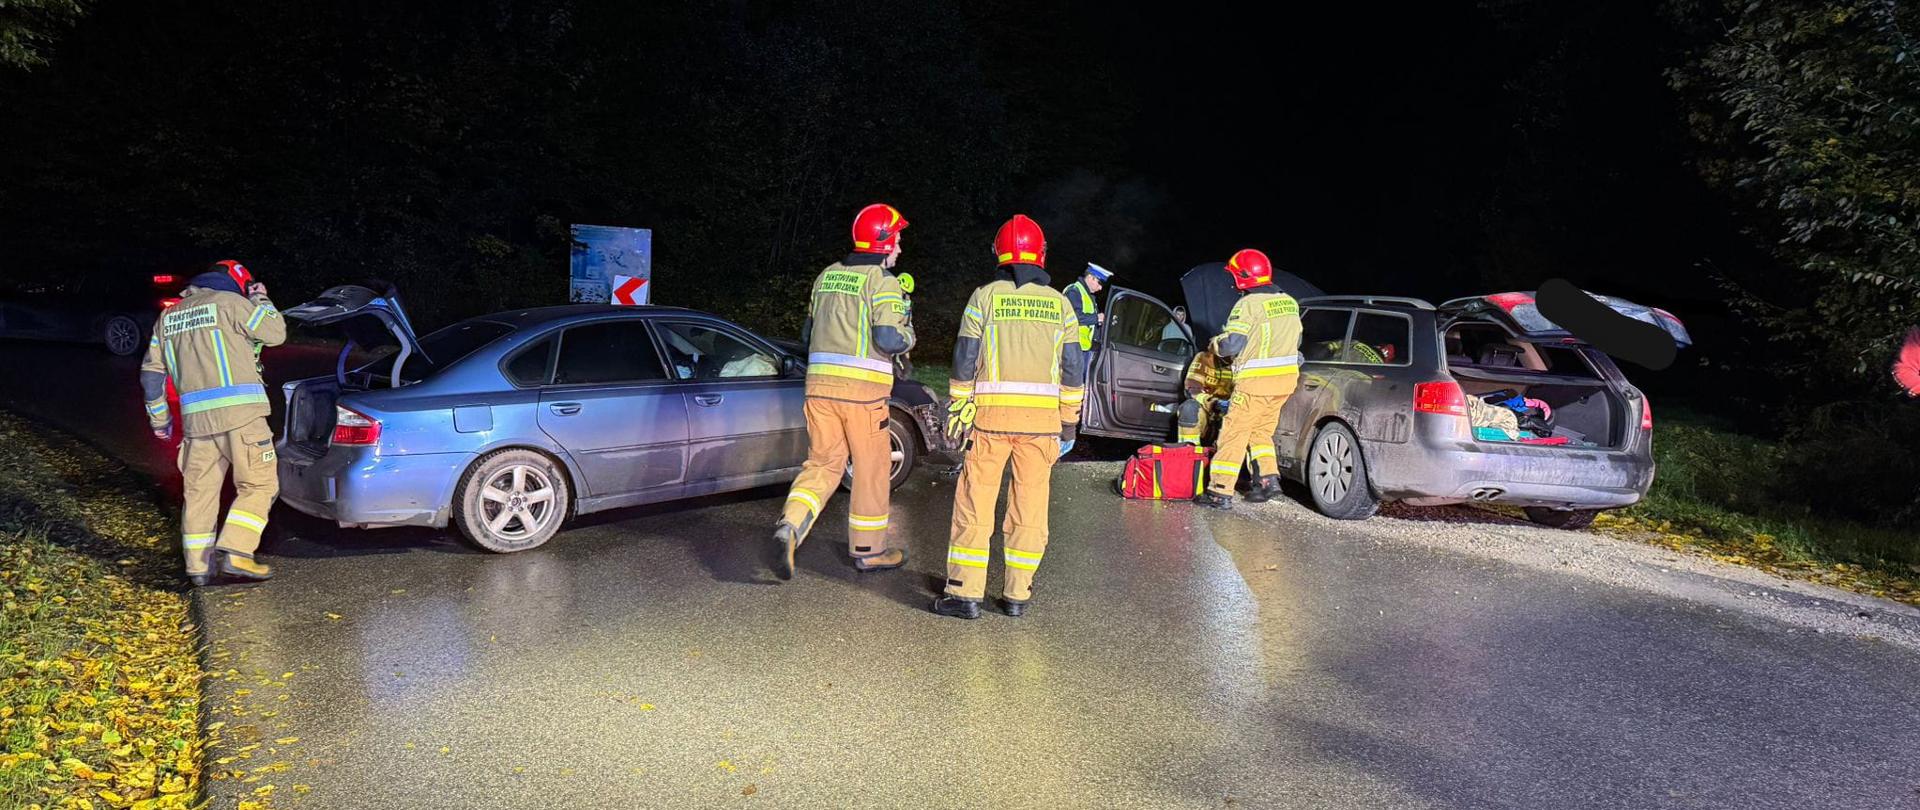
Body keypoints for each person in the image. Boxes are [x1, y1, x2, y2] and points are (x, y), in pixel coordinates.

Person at [934, 214, 1084, 620]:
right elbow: (1073, 368)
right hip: (1042, 427)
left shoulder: (984, 297)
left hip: (989, 422)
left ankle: (964, 593)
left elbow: (965, 356)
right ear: (1041, 255)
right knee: (1030, 508)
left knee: (974, 504)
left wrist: (959, 407)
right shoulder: (1061, 305)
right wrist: (1068, 421)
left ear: (1000, 252)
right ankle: (1017, 594)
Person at [770, 203, 915, 579]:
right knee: (871, 469)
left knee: (822, 464)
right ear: (883, 241)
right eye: (897, 239)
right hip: (863, 397)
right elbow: (887, 337)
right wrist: (908, 334)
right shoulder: (882, 282)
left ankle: (790, 526)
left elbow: (806, 334)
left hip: (818, 391)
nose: (899, 247)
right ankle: (869, 551)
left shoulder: (826, 277)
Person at [139, 260, 286, 585]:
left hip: (196, 426)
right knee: (259, 485)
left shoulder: (168, 317)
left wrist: (160, 420)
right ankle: (235, 551)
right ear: (237, 284)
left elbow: (151, 374)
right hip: (243, 419)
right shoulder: (231, 304)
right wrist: (261, 299)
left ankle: (198, 567)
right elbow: (275, 333)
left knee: (199, 493)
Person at [1194, 249, 1302, 509]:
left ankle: (1219, 491)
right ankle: (1267, 482)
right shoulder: (1289, 302)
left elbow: (1232, 345)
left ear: (1243, 277)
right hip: (1285, 382)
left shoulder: (1248, 304)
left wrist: (1215, 343)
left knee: (1234, 433)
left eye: (1234, 276)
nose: (1232, 282)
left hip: (1256, 384)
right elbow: (1296, 342)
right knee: (1261, 430)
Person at [1175, 348, 1232, 446]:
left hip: (1235, 413)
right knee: (1189, 408)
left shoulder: (1248, 361)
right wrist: (1213, 403)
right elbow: (1192, 389)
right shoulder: (1205, 358)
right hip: (1208, 411)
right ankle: (1189, 452)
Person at [1062, 262, 1111, 354]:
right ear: (1090, 277)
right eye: (1100, 283)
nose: (1100, 288)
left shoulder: (1087, 295)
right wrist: (1097, 318)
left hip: (1083, 347)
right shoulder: (1074, 291)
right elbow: (1074, 317)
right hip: (1073, 347)